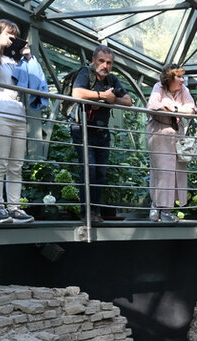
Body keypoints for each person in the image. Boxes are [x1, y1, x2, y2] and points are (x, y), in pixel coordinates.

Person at [0, 19, 34, 224]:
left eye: (15, 36)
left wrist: (27, 56)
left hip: (19, 115)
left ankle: (14, 208)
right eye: (10, 35)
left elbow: (37, 83)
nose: (13, 40)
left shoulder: (18, 61)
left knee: (15, 166)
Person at [70, 45, 132, 223]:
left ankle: (95, 212)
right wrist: (101, 96)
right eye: (102, 61)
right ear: (93, 61)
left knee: (100, 173)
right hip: (82, 129)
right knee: (89, 169)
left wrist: (111, 98)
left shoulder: (112, 80)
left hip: (102, 131)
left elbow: (127, 101)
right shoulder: (85, 73)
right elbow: (77, 92)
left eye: (109, 63)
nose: (105, 66)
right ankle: (86, 213)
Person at [147, 63, 196, 223]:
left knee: (175, 171)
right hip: (159, 133)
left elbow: (191, 110)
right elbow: (153, 106)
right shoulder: (158, 87)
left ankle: (165, 210)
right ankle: (157, 207)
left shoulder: (184, 90)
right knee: (162, 170)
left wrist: (173, 108)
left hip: (176, 133)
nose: (182, 80)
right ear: (169, 78)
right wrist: (179, 108)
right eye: (179, 77)